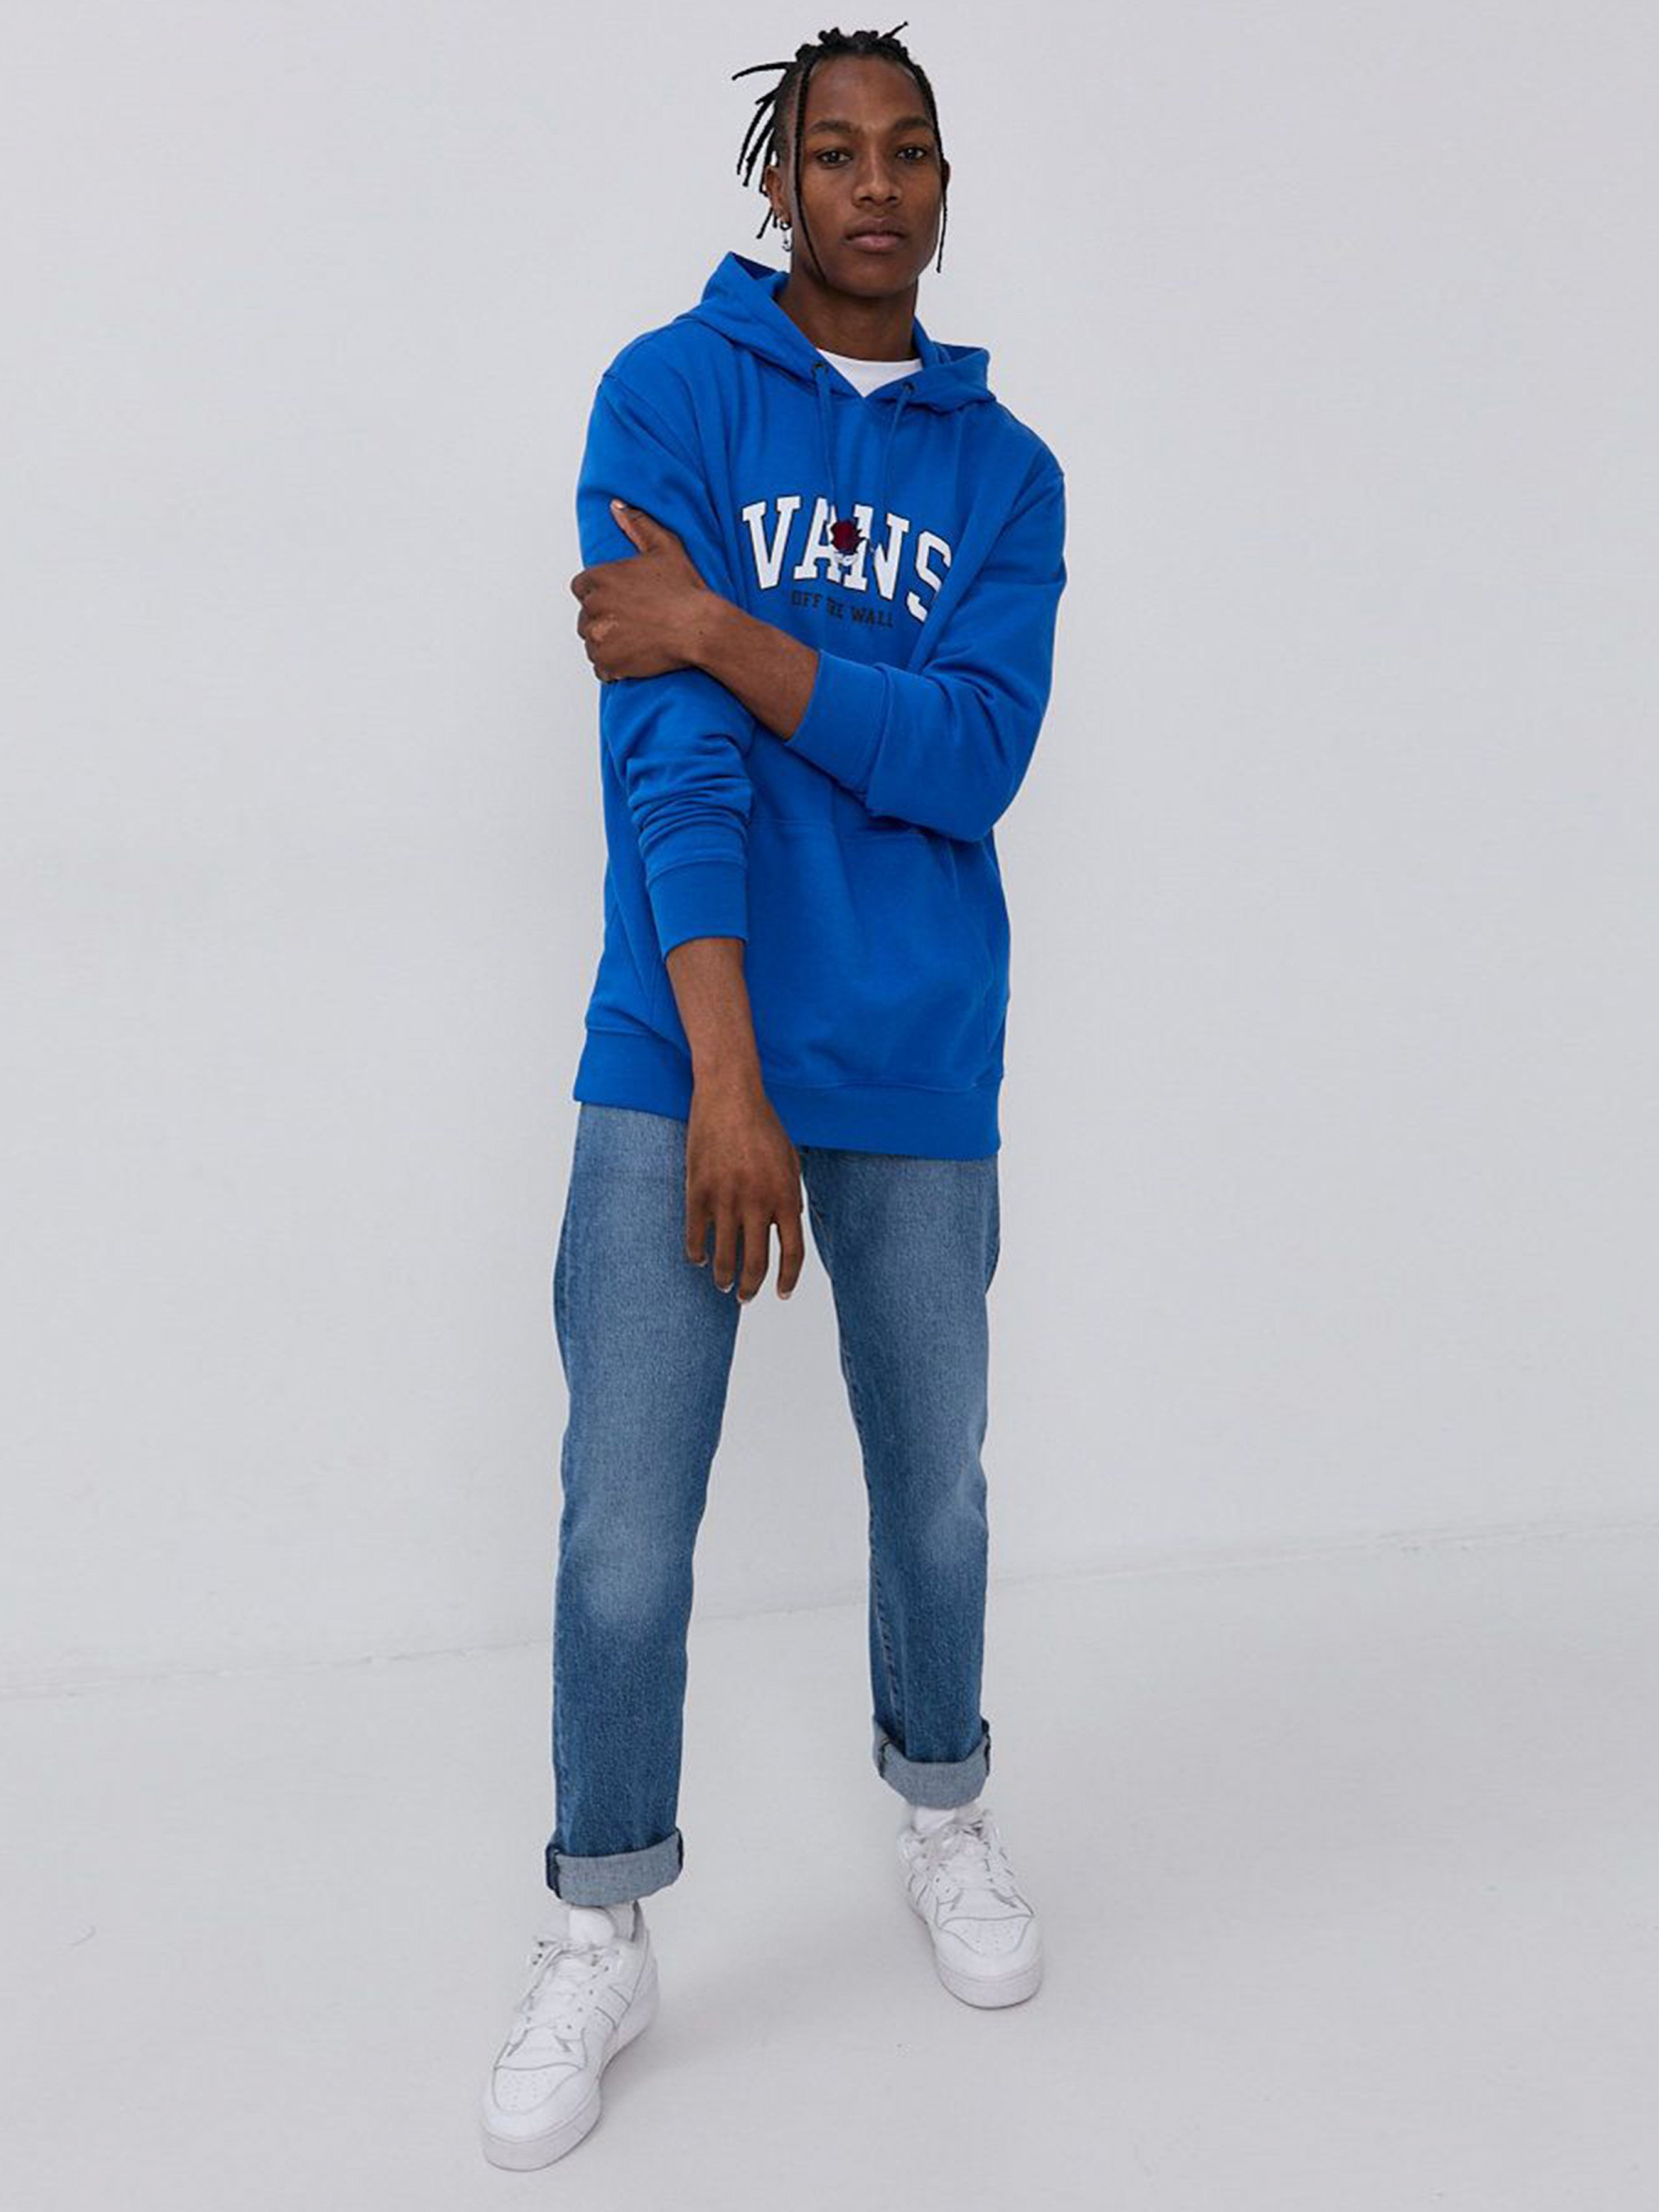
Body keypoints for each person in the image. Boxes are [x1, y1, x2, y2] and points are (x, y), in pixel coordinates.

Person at [480, 21, 1068, 2169]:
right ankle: (599, 1921)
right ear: (781, 178)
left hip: (913, 1049)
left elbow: (969, 757)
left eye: (909, 150)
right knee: (626, 1517)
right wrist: (723, 1075)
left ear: (942, 184)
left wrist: (725, 628)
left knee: (936, 1493)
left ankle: (943, 1811)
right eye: (834, 150)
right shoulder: (670, 396)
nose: (875, 184)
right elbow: (670, 759)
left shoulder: (1009, 476)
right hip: (681, 1040)